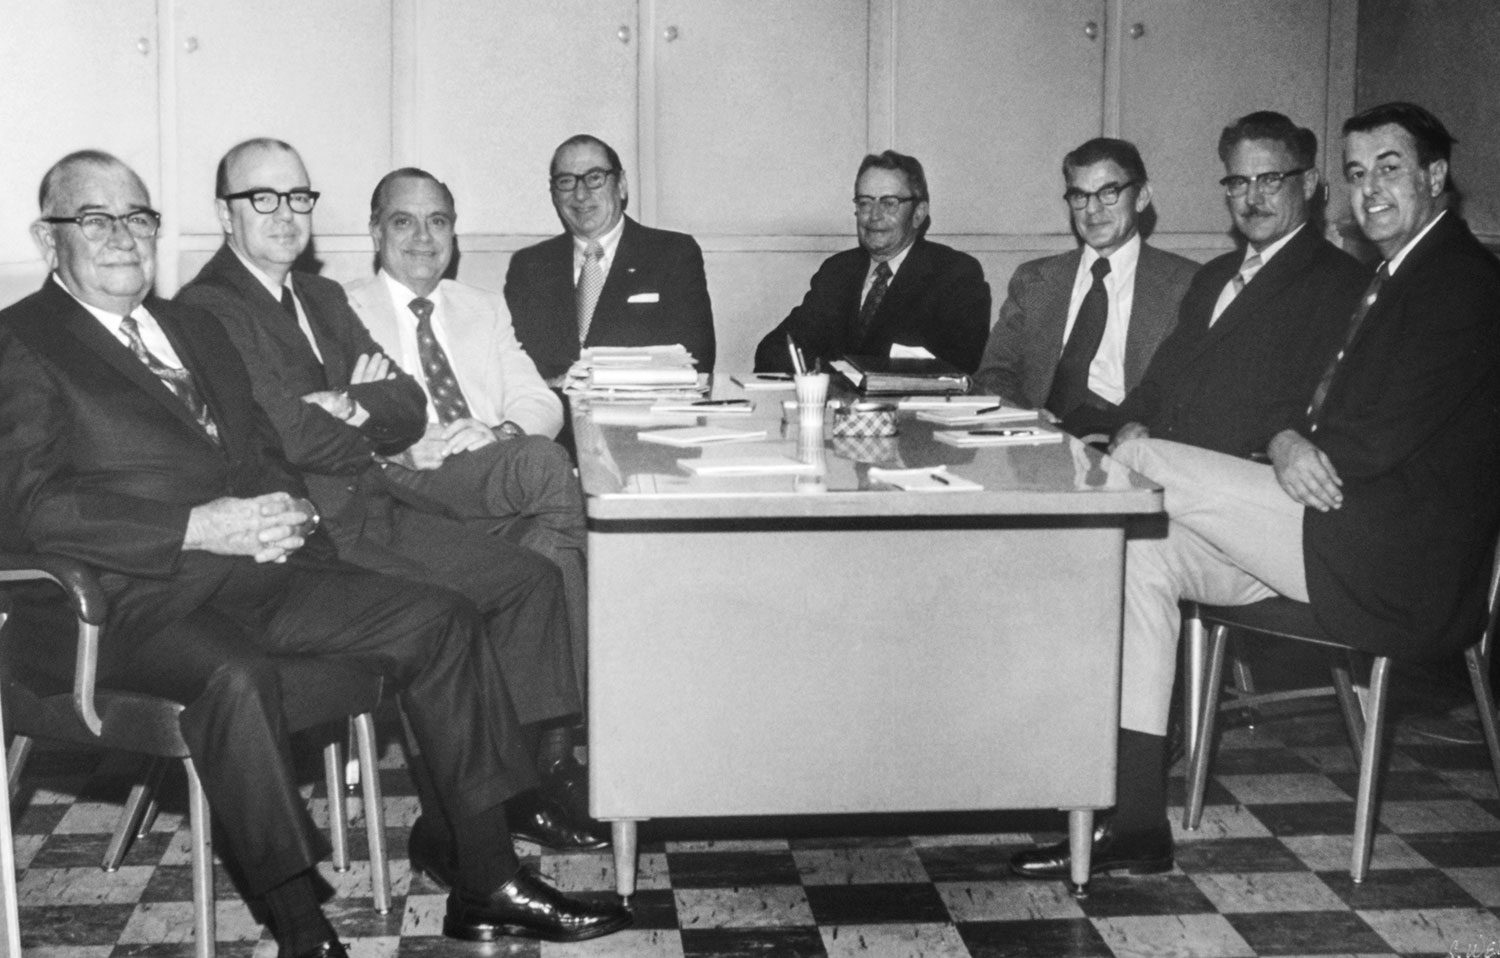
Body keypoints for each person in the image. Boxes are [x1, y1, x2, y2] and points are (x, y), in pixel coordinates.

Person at [0, 150, 630, 953]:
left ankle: (487, 879)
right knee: (237, 677)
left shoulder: (188, 327)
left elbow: (265, 446)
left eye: (138, 218)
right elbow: (30, 504)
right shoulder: (21, 341)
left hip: (263, 565)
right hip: (133, 596)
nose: (123, 237)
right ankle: (300, 925)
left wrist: (286, 506)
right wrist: (199, 526)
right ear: (48, 238)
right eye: (95, 219)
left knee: (441, 619)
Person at [1012, 102, 1500, 880]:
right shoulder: (1396, 272)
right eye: (1358, 172)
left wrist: (1280, 439)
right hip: (1327, 529)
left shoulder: (1461, 283)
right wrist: (1265, 436)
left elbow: (1374, 432)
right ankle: (1133, 818)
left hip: (1391, 560)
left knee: (1151, 470)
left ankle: (1039, 578)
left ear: (1437, 176)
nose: (1369, 188)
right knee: (1148, 560)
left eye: (1391, 168)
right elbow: (1313, 413)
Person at [175, 139, 601, 863]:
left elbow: (404, 403)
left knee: (529, 580)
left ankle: (520, 791)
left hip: (377, 504)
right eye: (263, 199)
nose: (285, 215)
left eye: (298, 197)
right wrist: (360, 419)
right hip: (321, 536)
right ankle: (465, 830)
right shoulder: (208, 308)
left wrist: (348, 404)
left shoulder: (318, 295)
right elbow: (288, 435)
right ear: (225, 213)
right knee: (453, 614)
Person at [344, 167, 589, 696]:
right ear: (375, 231)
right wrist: (397, 443)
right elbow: (324, 421)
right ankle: (568, 730)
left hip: (485, 474)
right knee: (547, 468)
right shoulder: (339, 310)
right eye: (403, 221)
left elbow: (540, 400)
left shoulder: (482, 307)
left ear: (453, 234)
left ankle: (538, 740)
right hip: (402, 482)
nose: (423, 238)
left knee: (546, 546)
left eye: (438, 222)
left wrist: (498, 432)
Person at [1111, 113, 1367, 459]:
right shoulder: (1213, 276)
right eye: (1238, 182)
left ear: (1308, 184)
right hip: (1166, 459)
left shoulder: (1341, 283)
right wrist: (1130, 422)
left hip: (1248, 471)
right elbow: (1160, 382)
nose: (1252, 198)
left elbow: (1307, 410)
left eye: (1270, 180)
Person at [973, 138, 1197, 436]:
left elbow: (1193, 391)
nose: (1092, 209)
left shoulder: (1187, 283)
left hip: (1130, 443)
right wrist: (1024, 415)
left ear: (1142, 196)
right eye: (1079, 196)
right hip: (1039, 444)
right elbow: (993, 374)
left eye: (1108, 193)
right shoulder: (1035, 280)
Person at [754, 150, 990, 375]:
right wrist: (837, 377)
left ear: (918, 213)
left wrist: (846, 372)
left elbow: (955, 367)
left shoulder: (955, 275)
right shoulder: (838, 271)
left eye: (889, 203)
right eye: (865, 202)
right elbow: (773, 350)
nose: (874, 215)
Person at [505, 134, 716, 380]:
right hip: (555, 414)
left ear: (621, 184)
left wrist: (595, 382)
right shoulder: (530, 266)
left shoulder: (672, 254)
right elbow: (513, 366)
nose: (580, 194)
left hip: (641, 414)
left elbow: (697, 358)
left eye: (595, 178)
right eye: (566, 181)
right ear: (554, 195)